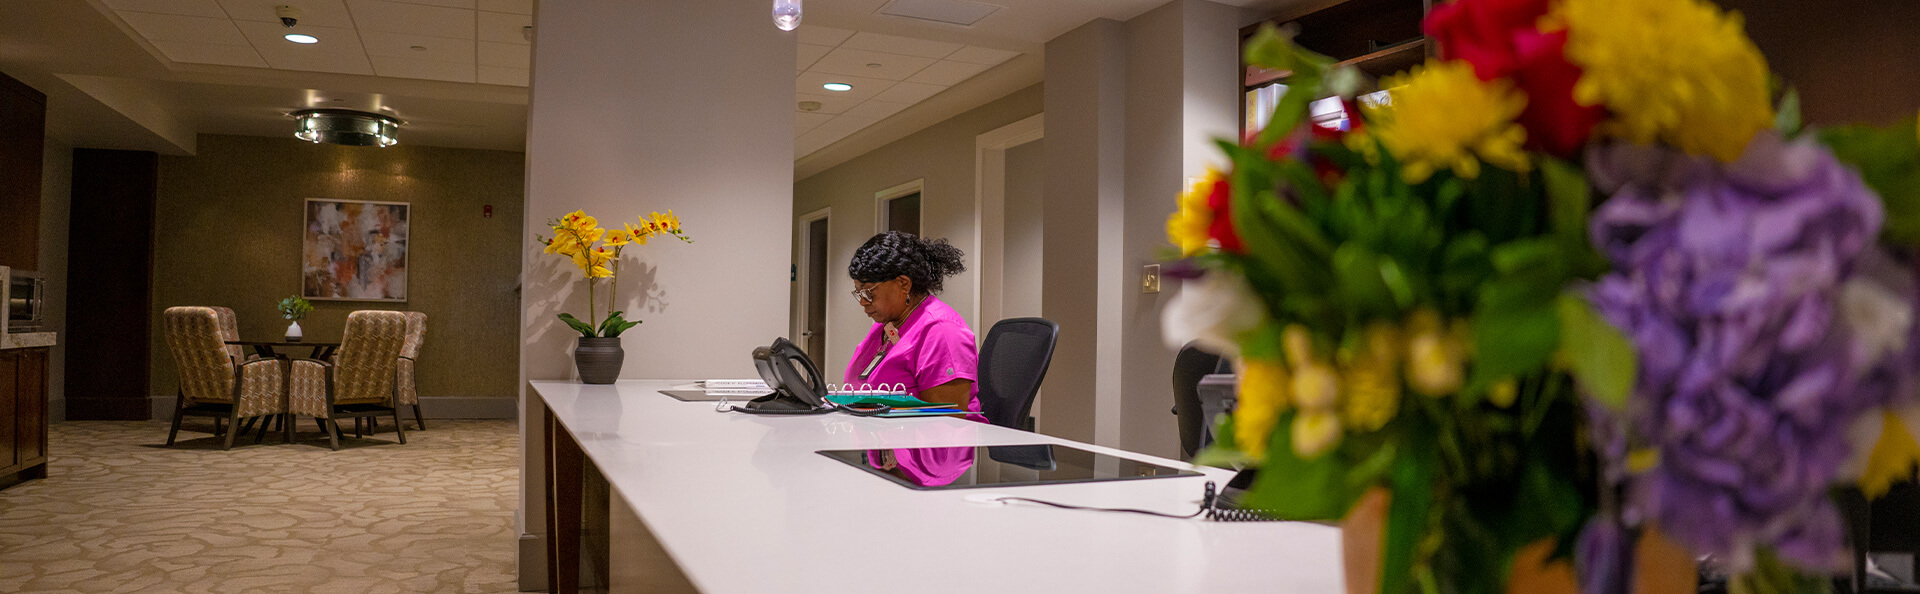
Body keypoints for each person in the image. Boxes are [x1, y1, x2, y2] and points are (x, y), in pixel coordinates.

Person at [844, 231, 981, 418]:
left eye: (869, 292)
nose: (862, 302)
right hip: (880, 438)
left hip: (916, 444)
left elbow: (947, 425)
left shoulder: (941, 332)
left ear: (903, 284)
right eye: (858, 293)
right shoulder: (886, 324)